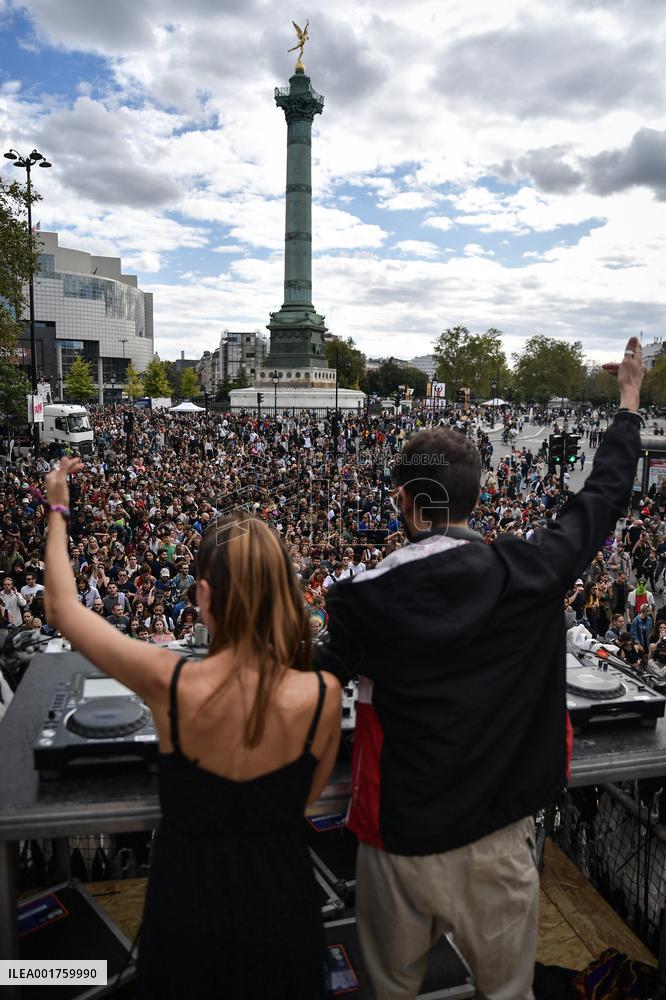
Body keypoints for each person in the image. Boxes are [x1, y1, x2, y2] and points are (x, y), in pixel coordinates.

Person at [316, 338, 644, 1000]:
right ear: (473, 496)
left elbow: (313, 680)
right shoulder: (533, 569)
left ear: (406, 501)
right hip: (500, 841)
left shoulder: (362, 594)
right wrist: (629, 403)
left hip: (401, 840)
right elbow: (603, 497)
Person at [43, 482, 340, 1000]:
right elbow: (308, 796)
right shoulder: (323, 694)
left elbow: (63, 610)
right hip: (285, 910)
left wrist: (57, 509)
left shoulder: (172, 683)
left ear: (204, 596)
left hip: (187, 912)